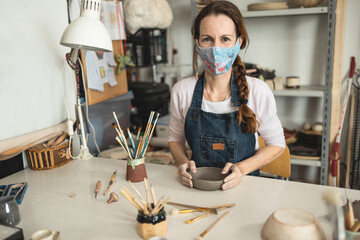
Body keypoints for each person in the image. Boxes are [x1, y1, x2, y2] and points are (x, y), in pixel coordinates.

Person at [168, 0, 285, 190]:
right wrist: (182, 162)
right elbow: (175, 139)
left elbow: (277, 144)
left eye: (225, 39)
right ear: (197, 42)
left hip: (245, 189)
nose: (216, 49)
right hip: (196, 189)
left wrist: (241, 168)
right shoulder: (182, 90)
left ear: (239, 42)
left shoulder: (258, 91)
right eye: (207, 39)